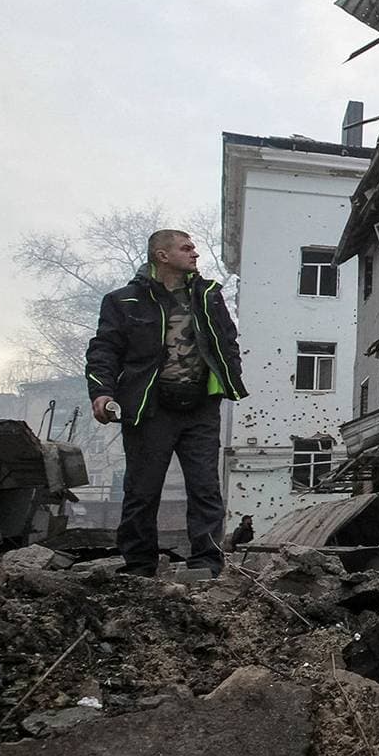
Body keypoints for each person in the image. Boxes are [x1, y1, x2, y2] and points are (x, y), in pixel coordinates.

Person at [85, 229, 248, 577]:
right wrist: (101, 392)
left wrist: (230, 373)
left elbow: (228, 340)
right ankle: (139, 566)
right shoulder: (123, 301)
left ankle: (207, 562)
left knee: (205, 487)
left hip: (201, 407)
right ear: (161, 255)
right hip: (150, 408)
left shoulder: (208, 296)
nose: (195, 254)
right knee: (142, 491)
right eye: (186, 248)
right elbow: (104, 349)